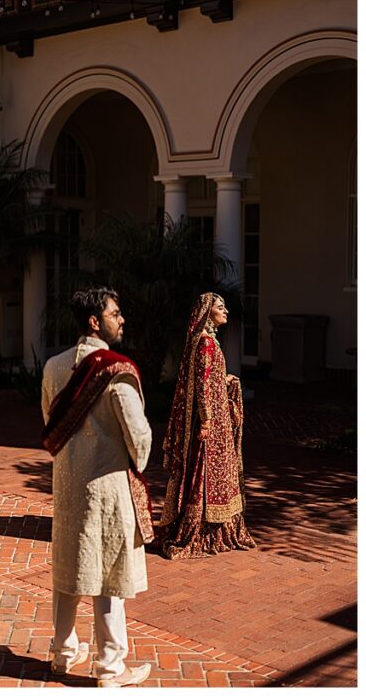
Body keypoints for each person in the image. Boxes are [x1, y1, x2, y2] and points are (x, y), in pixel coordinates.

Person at [41, 287, 153, 687]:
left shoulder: (54, 366)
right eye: (115, 313)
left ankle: (62, 651)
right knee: (107, 575)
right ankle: (110, 668)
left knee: (69, 570)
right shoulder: (116, 370)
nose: (121, 320)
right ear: (94, 321)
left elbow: (48, 423)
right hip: (106, 486)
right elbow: (138, 436)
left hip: (68, 484)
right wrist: (137, 464)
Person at [156, 293, 256, 559]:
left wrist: (225, 380)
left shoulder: (209, 342)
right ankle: (202, 531)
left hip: (218, 421)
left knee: (217, 471)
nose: (226, 311)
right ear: (207, 314)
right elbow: (200, 385)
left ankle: (217, 529)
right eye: (220, 307)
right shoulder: (205, 344)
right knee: (205, 472)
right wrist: (207, 420)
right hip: (212, 424)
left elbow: (209, 379)